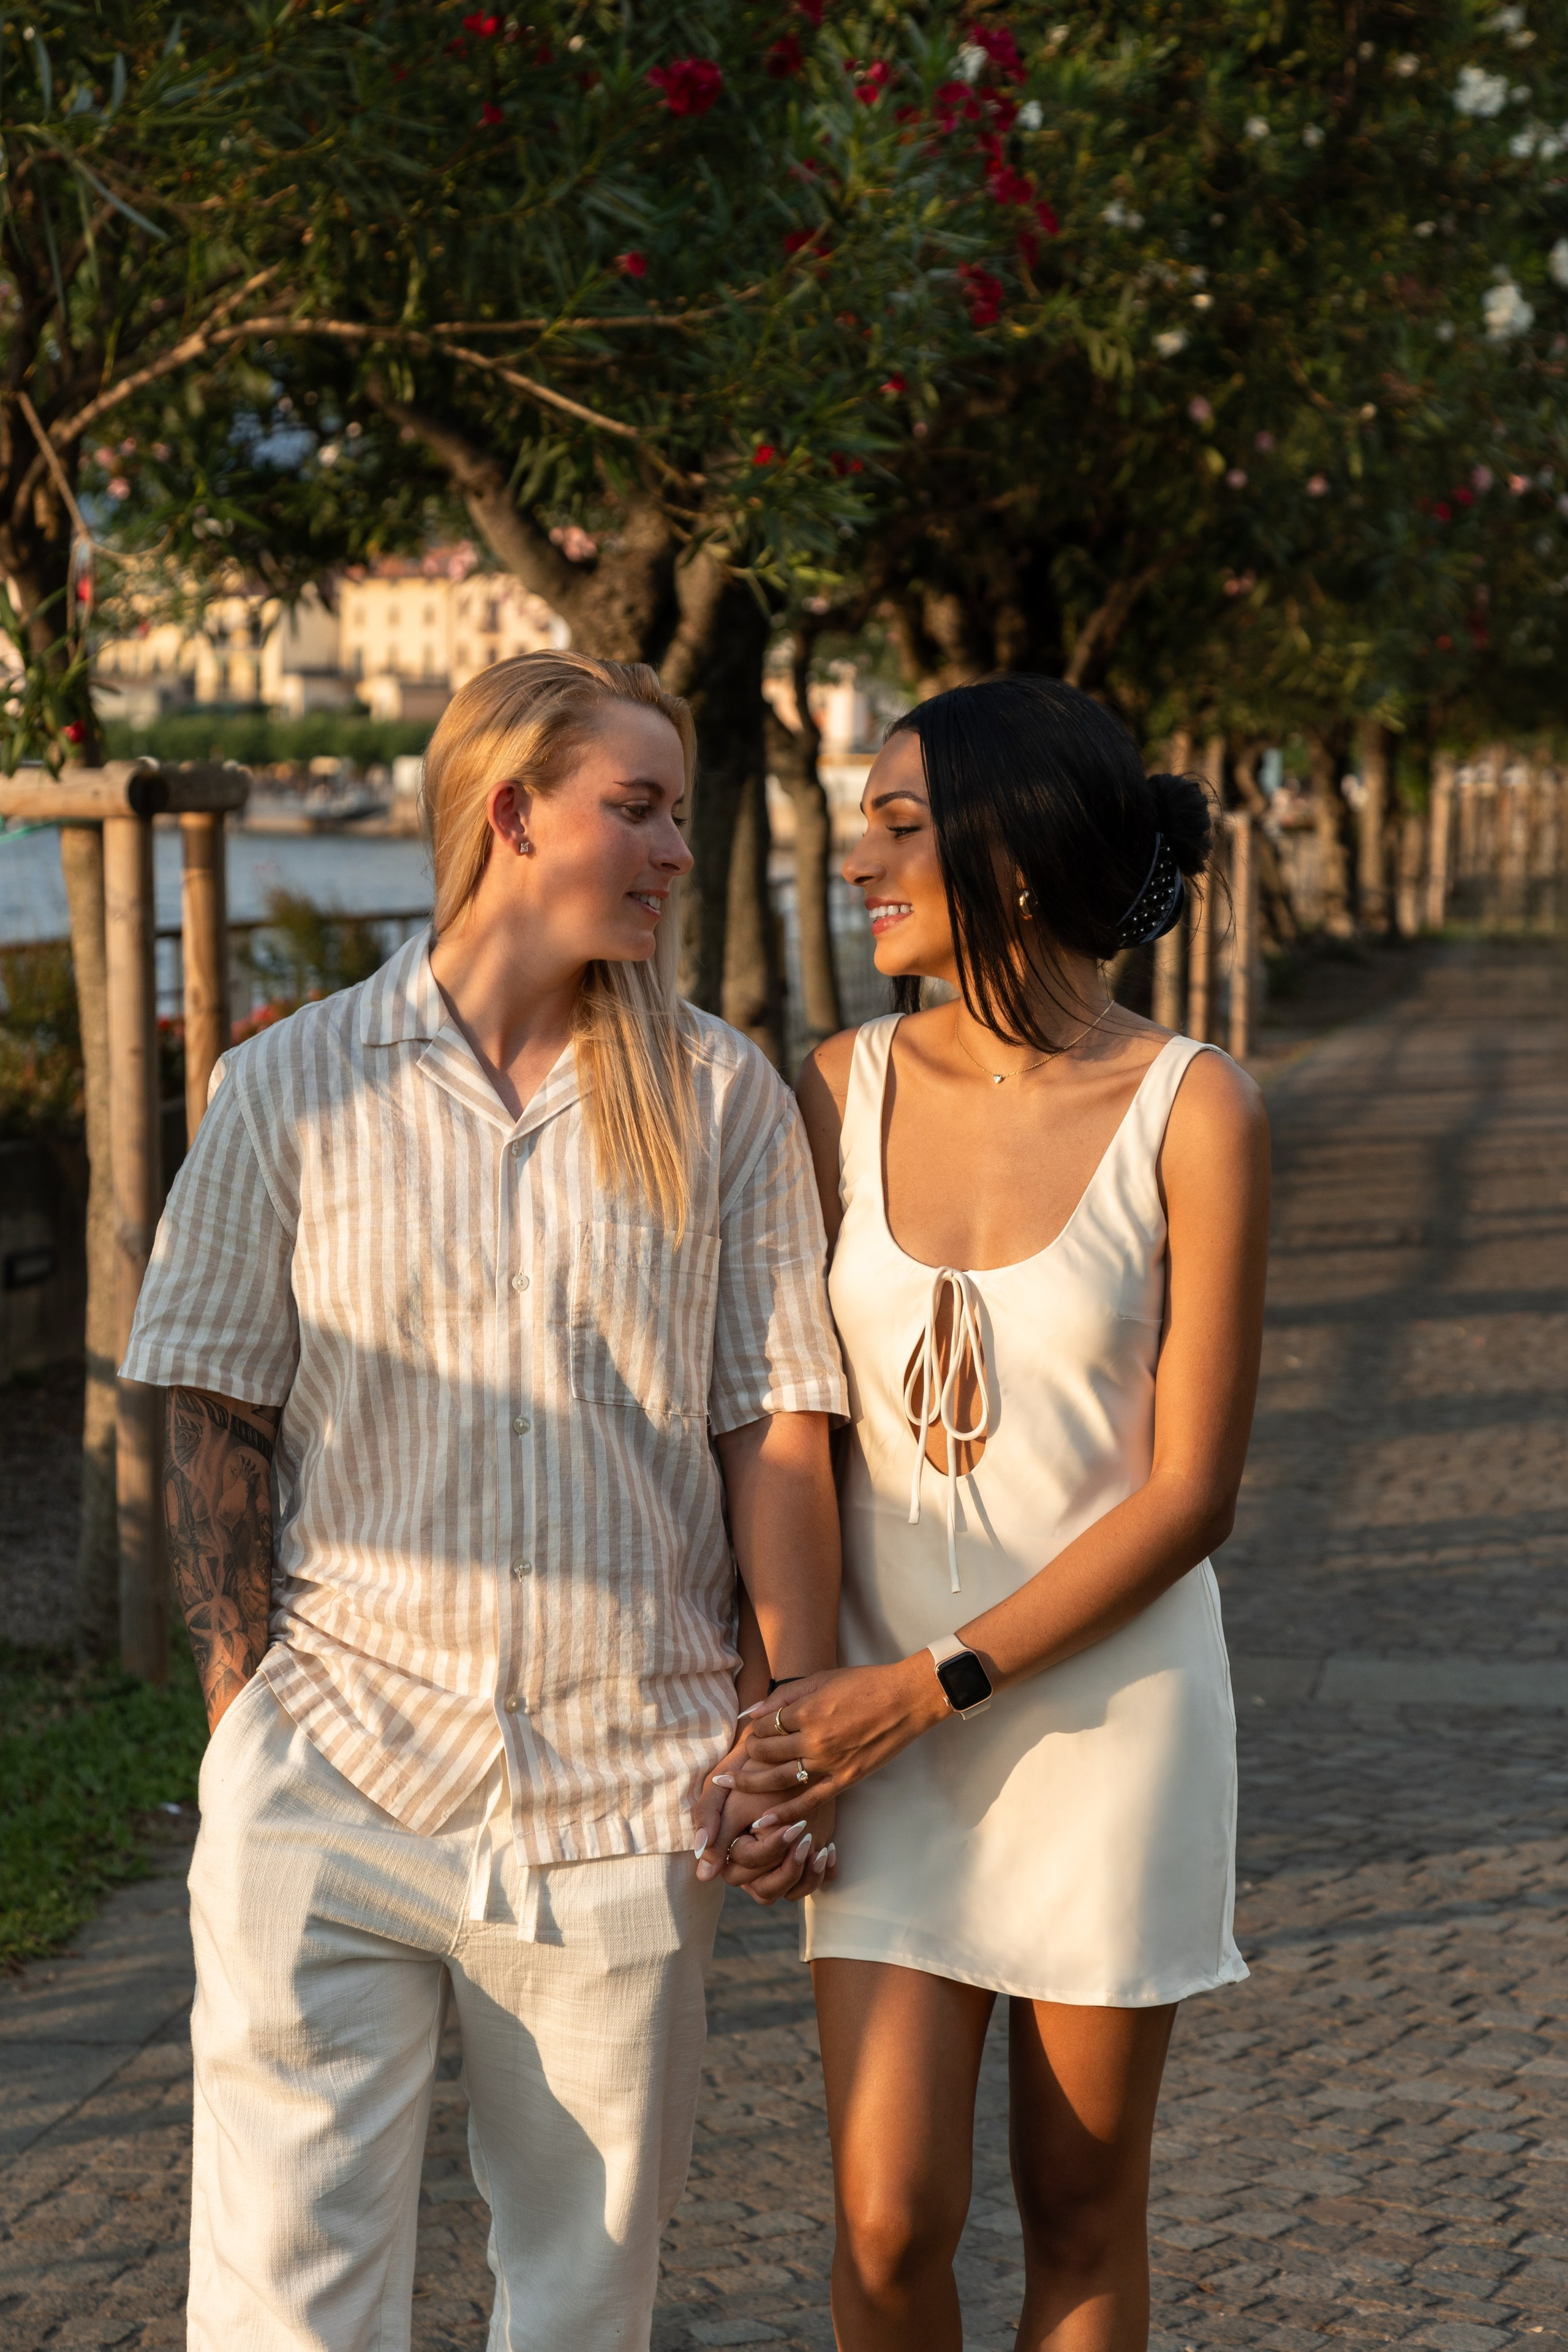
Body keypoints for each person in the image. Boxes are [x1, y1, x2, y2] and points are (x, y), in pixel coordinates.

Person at [122, 651, 846, 2352]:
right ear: (514, 813)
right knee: (283, 2310)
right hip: (337, 1771)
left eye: (682, 812)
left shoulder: (723, 1099)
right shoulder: (287, 1090)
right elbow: (216, 1409)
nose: (676, 849)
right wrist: (241, 1733)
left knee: (585, 2305)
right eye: (640, 810)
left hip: (621, 1794)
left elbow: (777, 1433)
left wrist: (787, 1726)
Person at [726, 676, 1270, 2351]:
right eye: (860, 820)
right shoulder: (831, 1087)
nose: (856, 856)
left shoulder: (1195, 1107)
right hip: (876, 1731)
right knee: (889, 2222)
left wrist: (930, 1683)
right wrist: (806, 1710)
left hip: (1107, 1727)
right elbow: (793, 1425)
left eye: (900, 824)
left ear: (1013, 851)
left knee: (1077, 2209)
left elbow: (1193, 1494)